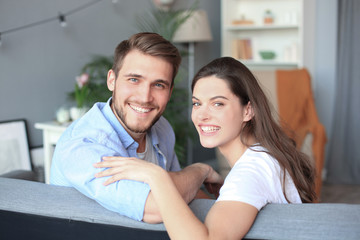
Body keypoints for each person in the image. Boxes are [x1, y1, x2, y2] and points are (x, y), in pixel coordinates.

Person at [94, 57, 317, 239]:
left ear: (248, 111)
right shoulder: (263, 158)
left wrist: (156, 176)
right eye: (197, 103)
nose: (202, 115)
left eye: (218, 103)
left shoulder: (251, 171)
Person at [50, 32, 216, 223]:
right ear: (112, 80)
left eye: (159, 85)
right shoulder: (83, 145)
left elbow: (184, 188)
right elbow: (160, 207)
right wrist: (202, 170)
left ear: (169, 92)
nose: (145, 97)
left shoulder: (161, 127)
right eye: (134, 80)